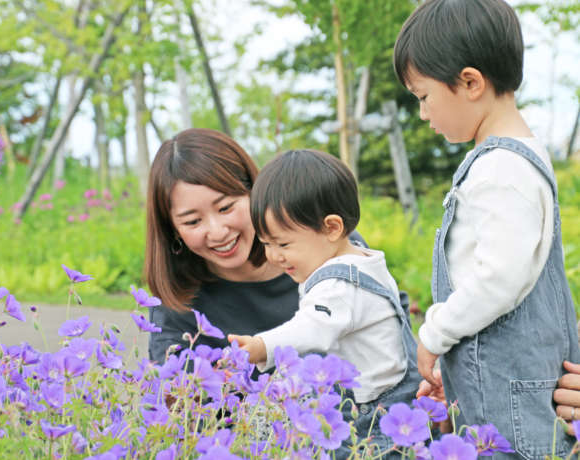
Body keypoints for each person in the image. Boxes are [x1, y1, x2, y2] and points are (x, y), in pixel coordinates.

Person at [393, 0, 580, 456]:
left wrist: (433, 333)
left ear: (471, 82)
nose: (422, 114)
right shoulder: (517, 159)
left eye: (423, 96)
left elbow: (498, 276)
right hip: (502, 380)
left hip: (509, 398)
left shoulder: (501, 169)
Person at [227, 149, 421, 454]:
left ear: (332, 228)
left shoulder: (338, 285)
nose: (273, 256)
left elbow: (312, 328)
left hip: (368, 414)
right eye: (265, 243)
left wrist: (262, 346)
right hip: (394, 401)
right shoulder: (360, 258)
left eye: (283, 243)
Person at [144, 128, 371, 365]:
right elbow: (171, 393)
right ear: (172, 229)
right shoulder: (176, 299)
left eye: (225, 208)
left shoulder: (326, 244)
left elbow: (388, 324)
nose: (218, 232)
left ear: (254, 191)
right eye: (192, 221)